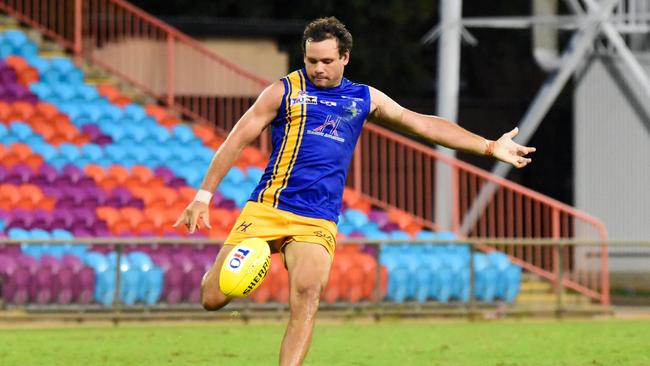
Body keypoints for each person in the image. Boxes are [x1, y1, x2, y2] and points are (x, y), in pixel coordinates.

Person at [174, 16, 535, 366]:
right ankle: (255, 256)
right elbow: (236, 140)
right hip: (267, 208)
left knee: (307, 295)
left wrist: (489, 146)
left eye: (328, 61)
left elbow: (421, 124)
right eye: (312, 60)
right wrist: (203, 196)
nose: (319, 68)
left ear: (345, 57)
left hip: (316, 219)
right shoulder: (283, 91)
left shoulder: (363, 98)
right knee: (213, 297)